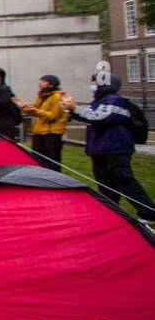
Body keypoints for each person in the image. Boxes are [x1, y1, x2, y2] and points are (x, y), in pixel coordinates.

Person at [62, 73, 155, 222]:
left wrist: (75, 107)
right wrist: (71, 108)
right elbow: (88, 115)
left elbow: (100, 117)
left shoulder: (115, 101)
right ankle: (112, 212)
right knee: (105, 184)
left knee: (124, 180)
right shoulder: (99, 101)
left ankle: (148, 212)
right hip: (100, 149)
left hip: (115, 148)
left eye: (95, 82)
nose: (92, 85)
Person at [14, 74, 68, 171]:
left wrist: (34, 110)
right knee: (37, 159)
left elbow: (52, 116)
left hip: (51, 134)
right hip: (39, 132)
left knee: (52, 161)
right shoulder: (42, 96)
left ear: (51, 84)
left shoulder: (58, 96)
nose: (40, 83)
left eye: (43, 81)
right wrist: (23, 106)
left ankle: (54, 181)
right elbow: (34, 109)